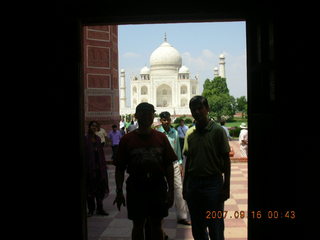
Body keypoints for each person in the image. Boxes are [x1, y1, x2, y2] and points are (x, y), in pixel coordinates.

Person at [113, 102, 177, 240]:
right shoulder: (127, 139)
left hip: (157, 186)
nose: (147, 117)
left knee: (156, 224)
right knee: (138, 224)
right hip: (136, 186)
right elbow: (120, 168)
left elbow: (168, 165)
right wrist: (119, 191)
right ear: (136, 116)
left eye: (149, 114)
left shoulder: (161, 138)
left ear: (153, 116)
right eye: (143, 114)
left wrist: (171, 190)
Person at [183, 96, 231, 240]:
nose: (197, 112)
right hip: (194, 184)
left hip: (213, 184)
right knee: (198, 227)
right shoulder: (190, 133)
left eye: (200, 108)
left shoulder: (217, 131)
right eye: (193, 109)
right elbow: (188, 161)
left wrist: (226, 186)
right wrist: (185, 186)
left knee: (215, 226)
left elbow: (225, 160)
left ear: (207, 109)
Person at [157, 111, 191, 225]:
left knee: (178, 189)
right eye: (164, 120)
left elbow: (177, 150)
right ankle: (159, 217)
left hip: (173, 164)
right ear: (160, 120)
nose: (166, 122)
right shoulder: (157, 133)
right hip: (160, 165)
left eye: (168, 120)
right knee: (160, 189)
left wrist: (180, 163)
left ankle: (182, 216)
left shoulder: (174, 132)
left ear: (170, 120)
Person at [84, 121, 109, 216]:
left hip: (99, 168)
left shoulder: (98, 139)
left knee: (99, 189)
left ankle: (100, 208)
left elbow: (101, 154)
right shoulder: (85, 139)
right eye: (92, 126)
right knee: (90, 189)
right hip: (90, 168)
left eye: (95, 126)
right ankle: (91, 209)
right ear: (89, 127)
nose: (94, 128)